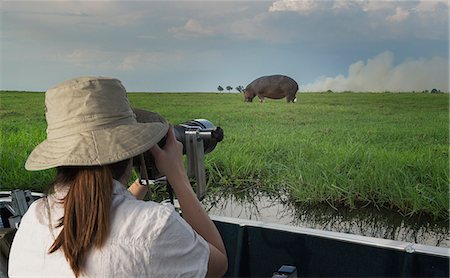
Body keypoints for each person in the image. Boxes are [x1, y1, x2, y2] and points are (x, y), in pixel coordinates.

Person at [8, 76, 228, 277]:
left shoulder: (34, 218)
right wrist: (177, 176)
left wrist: (144, 179)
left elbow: (98, 201)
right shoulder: (154, 226)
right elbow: (218, 264)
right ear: (131, 149)